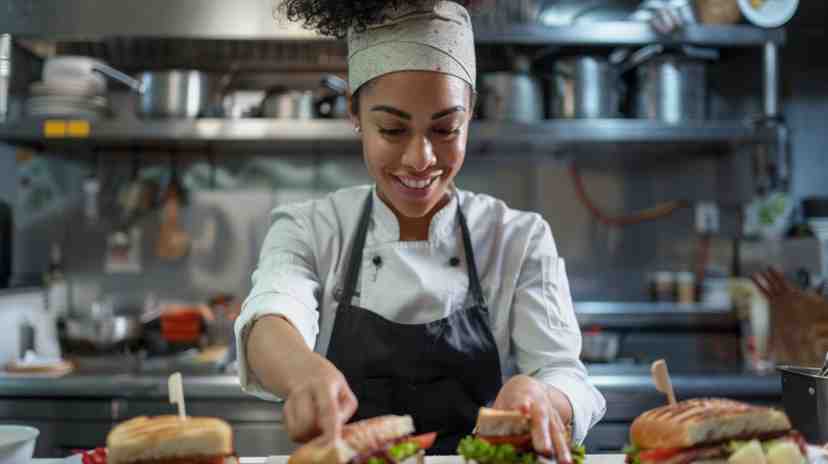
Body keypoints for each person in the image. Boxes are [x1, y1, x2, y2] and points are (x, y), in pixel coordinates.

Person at [234, 1, 606, 461]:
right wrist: (303, 372)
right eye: (392, 129)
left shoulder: (518, 238)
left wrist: (542, 395)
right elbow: (270, 318)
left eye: (446, 129)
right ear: (355, 114)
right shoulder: (312, 228)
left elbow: (564, 373)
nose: (420, 158)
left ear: (470, 113)